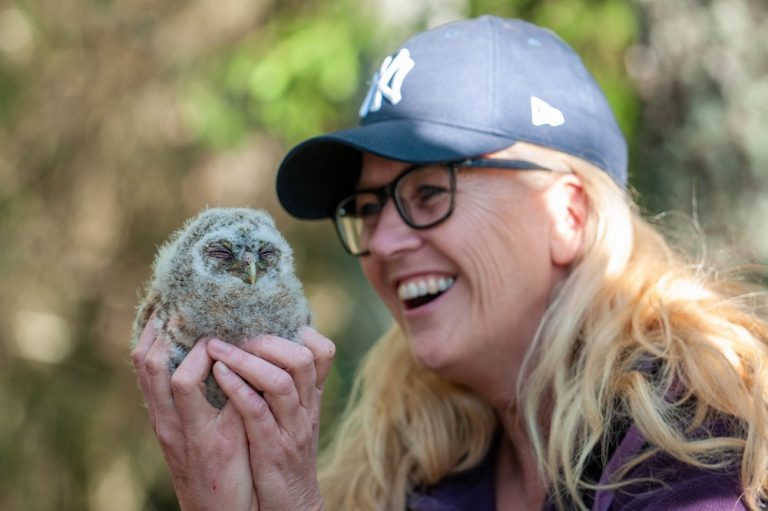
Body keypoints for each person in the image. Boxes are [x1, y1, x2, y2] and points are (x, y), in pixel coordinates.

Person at [131, 15, 768, 510]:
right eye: (369, 207)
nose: (381, 244)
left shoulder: (711, 441)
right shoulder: (407, 467)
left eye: (430, 193)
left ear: (569, 215)